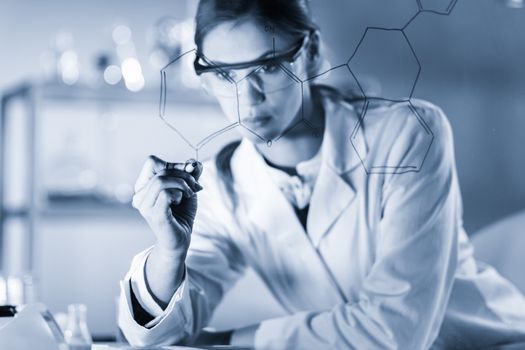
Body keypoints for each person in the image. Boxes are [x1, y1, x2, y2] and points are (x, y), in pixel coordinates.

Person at [118, 0, 525, 349]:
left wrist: (229, 341)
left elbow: (397, 330)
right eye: (226, 74)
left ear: (310, 53)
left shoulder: (406, 133)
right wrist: (170, 252)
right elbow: (156, 335)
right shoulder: (228, 184)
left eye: (269, 66)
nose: (247, 98)